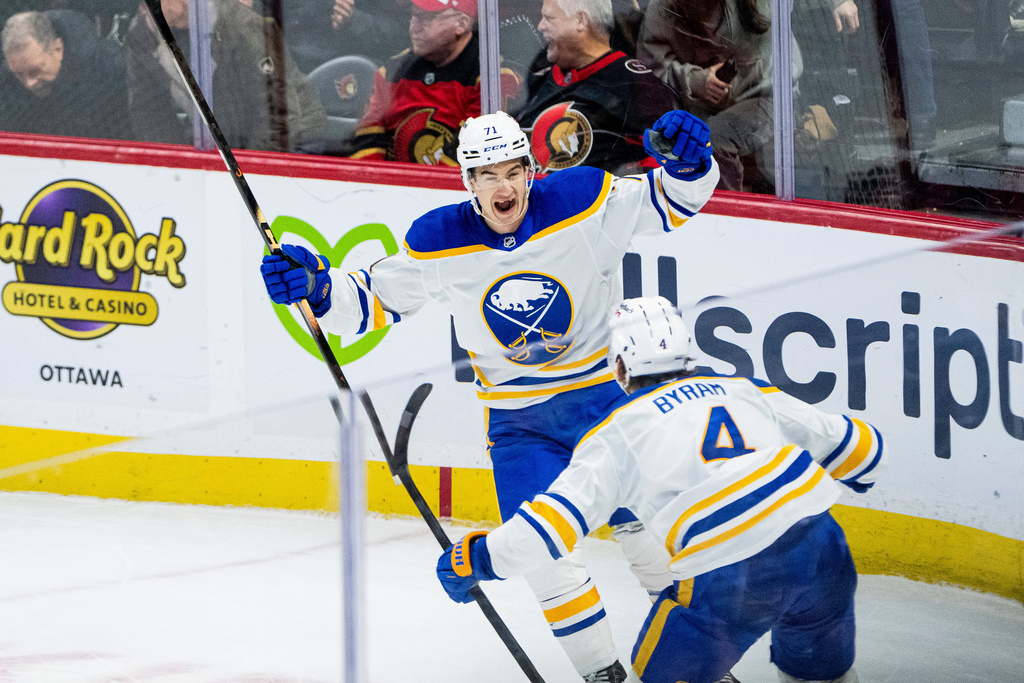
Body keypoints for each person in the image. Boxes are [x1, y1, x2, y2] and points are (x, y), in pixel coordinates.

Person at [260, 109, 722, 682]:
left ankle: (702, 667)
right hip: (520, 425)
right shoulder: (439, 241)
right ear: (467, 182)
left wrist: (690, 162)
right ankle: (603, 674)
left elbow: (674, 201)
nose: (504, 188)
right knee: (543, 557)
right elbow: (369, 301)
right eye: (487, 175)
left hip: (607, 403)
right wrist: (315, 286)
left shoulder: (585, 200)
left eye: (513, 172)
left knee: (652, 536)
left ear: (531, 170)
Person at [436, 296, 887, 683]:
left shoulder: (618, 434)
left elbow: (547, 532)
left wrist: (475, 557)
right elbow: (863, 450)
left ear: (618, 367)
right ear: (689, 354)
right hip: (823, 552)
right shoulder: (745, 389)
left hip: (732, 575)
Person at [637, 0, 857, 191]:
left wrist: (838, 2)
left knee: (714, 142)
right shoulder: (666, 8)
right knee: (684, 145)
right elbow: (649, 68)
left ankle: (731, 212)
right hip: (701, 109)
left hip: (769, 95)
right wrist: (694, 80)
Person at [123, 0, 326, 153]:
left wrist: (247, 169)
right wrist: (178, 162)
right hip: (222, 141)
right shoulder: (143, 36)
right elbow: (148, 113)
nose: (144, 9)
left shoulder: (239, 26)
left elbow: (280, 116)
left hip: (296, 136)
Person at [511, 0, 679, 176]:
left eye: (549, 18)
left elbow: (664, 169)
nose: (540, 26)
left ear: (580, 20)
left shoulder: (637, 86)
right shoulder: (541, 73)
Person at [347, 0, 520, 165]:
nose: (414, 26)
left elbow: (473, 157)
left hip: (454, 192)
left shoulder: (492, 78)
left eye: (427, 17)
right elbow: (367, 146)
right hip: (392, 191)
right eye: (413, 15)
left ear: (462, 24)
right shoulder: (390, 73)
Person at [0, 9, 129, 139]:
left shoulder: (109, 75)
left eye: (35, 71)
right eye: (19, 75)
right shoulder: (6, 84)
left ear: (58, 48)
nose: (29, 83)